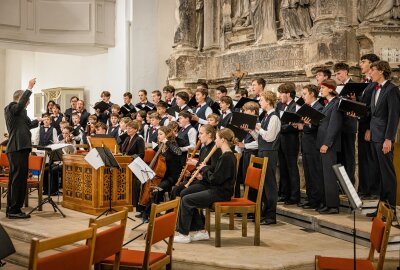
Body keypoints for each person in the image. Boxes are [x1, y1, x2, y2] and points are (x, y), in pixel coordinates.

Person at [174, 128, 237, 243]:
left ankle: (184, 234)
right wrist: (203, 174)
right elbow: (216, 177)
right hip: (217, 189)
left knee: (187, 199)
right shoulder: (226, 155)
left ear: (223, 140)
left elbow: (215, 179)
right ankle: (200, 231)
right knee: (186, 197)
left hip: (220, 193)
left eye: (217, 138)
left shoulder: (227, 157)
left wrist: (204, 169)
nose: (216, 141)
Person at [367, 60, 400, 216]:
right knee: (379, 173)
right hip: (375, 136)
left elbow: (394, 116)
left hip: (384, 138)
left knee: (387, 174)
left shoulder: (392, 90)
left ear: (380, 71)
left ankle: (390, 209)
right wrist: (369, 130)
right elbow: (374, 114)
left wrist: (389, 139)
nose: (369, 73)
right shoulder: (374, 89)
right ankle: (381, 208)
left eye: (372, 70)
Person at [5, 78, 41, 219]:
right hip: (16, 148)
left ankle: (13, 208)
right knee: (17, 179)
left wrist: (38, 121)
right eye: (27, 101)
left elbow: (27, 125)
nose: (28, 103)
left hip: (22, 148)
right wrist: (29, 88)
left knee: (19, 179)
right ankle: (14, 210)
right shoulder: (11, 108)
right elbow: (20, 106)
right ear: (19, 98)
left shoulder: (21, 113)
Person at [295, 85, 324, 209]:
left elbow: (319, 127)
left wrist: (306, 126)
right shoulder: (307, 107)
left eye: (305, 94)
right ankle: (310, 198)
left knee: (315, 173)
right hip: (306, 145)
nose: (303, 96)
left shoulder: (319, 107)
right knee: (308, 174)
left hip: (314, 145)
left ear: (312, 94)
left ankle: (317, 200)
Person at [316, 79, 343, 214]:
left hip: (329, 145)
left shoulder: (336, 104)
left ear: (331, 89)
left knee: (329, 176)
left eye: (323, 87)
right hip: (322, 143)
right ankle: (327, 203)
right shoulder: (328, 104)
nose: (320, 90)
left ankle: (333, 205)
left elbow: (334, 126)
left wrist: (327, 143)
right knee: (324, 175)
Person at [254, 91, 280, 225]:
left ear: (269, 101)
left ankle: (271, 216)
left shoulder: (274, 117)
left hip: (270, 152)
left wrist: (259, 128)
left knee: (270, 185)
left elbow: (270, 137)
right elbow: (260, 138)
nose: (260, 102)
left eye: (262, 100)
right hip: (263, 150)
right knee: (263, 184)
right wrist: (253, 130)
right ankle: (264, 212)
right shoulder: (265, 116)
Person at [357, 54, 381, 199]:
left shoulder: (375, 85)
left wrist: (369, 129)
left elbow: (374, 110)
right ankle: (364, 189)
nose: (361, 64)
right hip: (362, 124)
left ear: (372, 65)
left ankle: (373, 190)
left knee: (371, 160)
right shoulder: (366, 82)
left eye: (364, 62)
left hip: (369, 127)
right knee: (364, 159)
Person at [276, 82, 300, 205]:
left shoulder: (295, 106)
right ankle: (284, 193)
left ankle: (294, 195)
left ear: (288, 94)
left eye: (281, 93)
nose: (279, 96)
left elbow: (294, 125)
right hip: (281, 140)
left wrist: (281, 127)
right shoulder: (279, 105)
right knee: (283, 167)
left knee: (291, 167)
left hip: (291, 140)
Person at [333, 62, 357, 185]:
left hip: (349, 126)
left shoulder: (355, 86)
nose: (337, 76)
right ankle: (342, 185)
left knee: (349, 156)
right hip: (338, 126)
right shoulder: (337, 87)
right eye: (336, 74)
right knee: (340, 158)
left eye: (339, 73)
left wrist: (354, 101)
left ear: (346, 72)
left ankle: (350, 185)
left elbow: (361, 105)